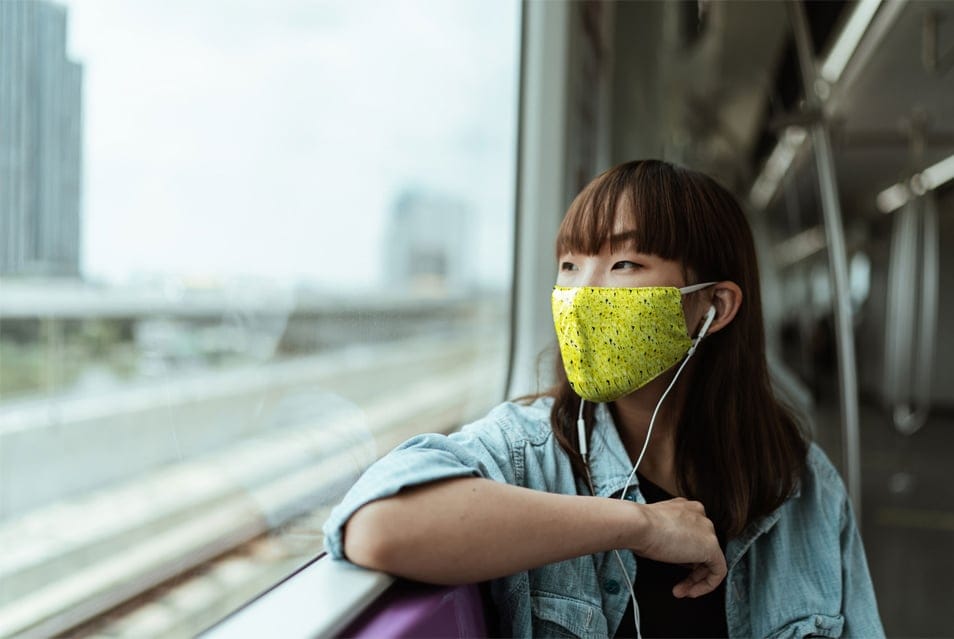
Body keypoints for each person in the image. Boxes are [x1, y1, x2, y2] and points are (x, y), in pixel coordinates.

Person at [322, 160, 884, 638]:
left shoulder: (803, 486)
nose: (581, 294)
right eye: (569, 265)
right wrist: (636, 524)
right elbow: (377, 525)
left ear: (715, 307)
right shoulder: (529, 452)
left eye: (623, 265)